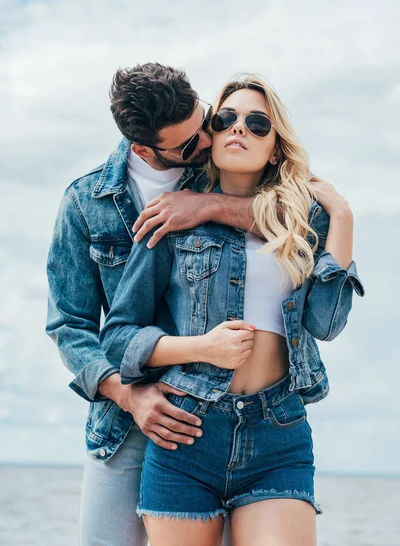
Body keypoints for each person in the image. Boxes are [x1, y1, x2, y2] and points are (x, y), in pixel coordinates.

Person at [100, 74, 365, 546]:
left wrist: (342, 220)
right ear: (211, 134)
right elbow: (119, 336)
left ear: (276, 146)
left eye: (257, 123)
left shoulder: (307, 223)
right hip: (187, 432)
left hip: (277, 432)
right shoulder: (172, 216)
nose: (239, 129)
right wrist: (201, 347)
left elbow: (326, 323)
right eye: (226, 119)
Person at [46, 63, 268, 546]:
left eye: (205, 122)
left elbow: (293, 214)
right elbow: (69, 324)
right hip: (125, 418)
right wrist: (129, 396)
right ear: (143, 148)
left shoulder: (222, 172)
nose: (208, 143)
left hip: (218, 414)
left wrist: (207, 206)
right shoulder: (86, 202)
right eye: (188, 146)